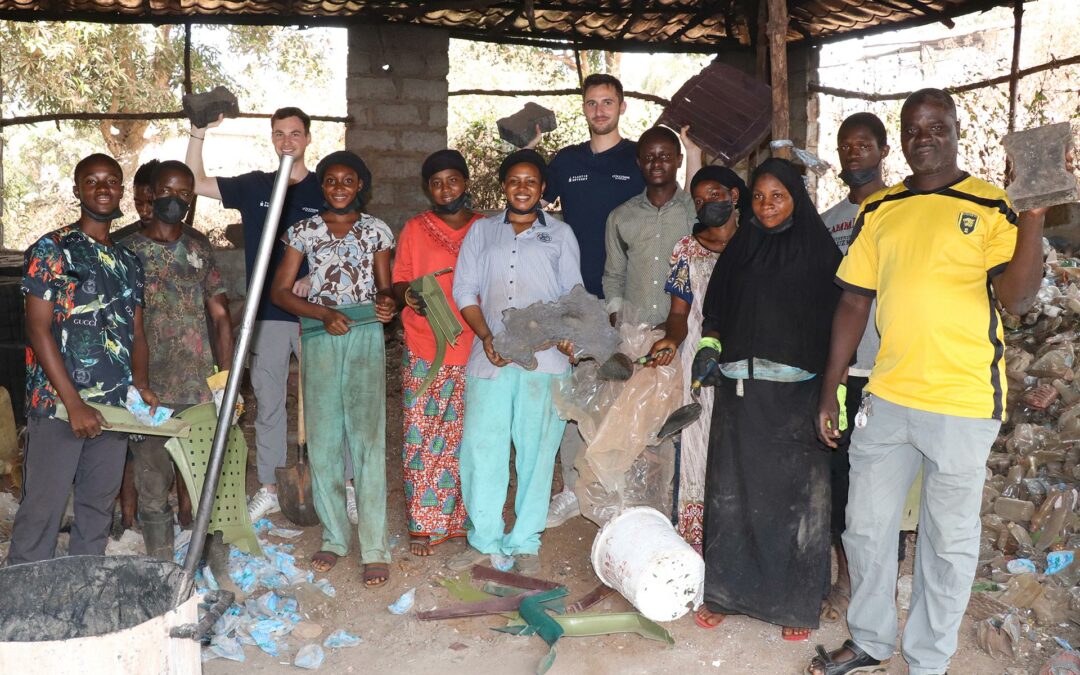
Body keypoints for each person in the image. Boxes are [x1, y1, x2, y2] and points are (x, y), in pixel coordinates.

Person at [809, 89, 1050, 675]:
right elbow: (853, 303)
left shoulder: (993, 205)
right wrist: (831, 389)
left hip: (963, 401)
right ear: (903, 137)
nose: (925, 138)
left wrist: (1034, 211)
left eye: (936, 127)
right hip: (888, 396)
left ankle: (928, 661)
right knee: (865, 527)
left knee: (946, 543)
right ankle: (869, 640)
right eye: (914, 129)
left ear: (955, 130)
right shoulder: (882, 209)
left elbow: (1017, 299)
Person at [691, 158, 841, 641]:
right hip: (740, 391)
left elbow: (841, 322)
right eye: (758, 197)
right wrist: (710, 347)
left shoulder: (819, 252)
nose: (766, 205)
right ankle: (727, 594)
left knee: (795, 502)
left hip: (799, 394)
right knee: (732, 496)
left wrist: (832, 391)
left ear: (796, 196)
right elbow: (716, 309)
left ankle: (793, 604)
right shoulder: (743, 246)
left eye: (777, 195)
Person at [186, 107, 359, 523]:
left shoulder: (329, 187)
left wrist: (314, 276)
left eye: (295, 133)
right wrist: (197, 132)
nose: (287, 141)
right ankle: (268, 487)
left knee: (332, 401)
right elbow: (192, 182)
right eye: (279, 133)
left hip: (321, 312)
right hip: (267, 314)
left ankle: (346, 486)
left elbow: (354, 239)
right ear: (271, 137)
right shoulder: (254, 186)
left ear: (308, 138)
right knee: (269, 403)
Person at [9, 153, 159, 564]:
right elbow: (37, 330)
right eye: (92, 181)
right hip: (58, 406)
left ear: (122, 190)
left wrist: (140, 387)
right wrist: (74, 403)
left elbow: (137, 333)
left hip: (112, 407)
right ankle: (21, 609)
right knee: (43, 510)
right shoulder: (51, 249)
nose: (103, 187)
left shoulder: (129, 261)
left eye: (111, 180)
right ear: (77, 190)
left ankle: (82, 591)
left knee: (97, 510)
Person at [450, 149, 582, 575]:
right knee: (481, 449)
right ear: (503, 186)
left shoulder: (560, 235)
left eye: (531, 181)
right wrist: (487, 337)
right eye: (514, 181)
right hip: (489, 358)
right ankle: (485, 537)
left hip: (543, 363)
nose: (522, 188)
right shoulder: (481, 233)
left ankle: (525, 538)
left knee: (537, 451)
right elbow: (464, 291)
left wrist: (561, 335)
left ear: (543, 189)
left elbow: (572, 296)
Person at [270, 150, 395, 587]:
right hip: (321, 335)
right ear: (321, 186)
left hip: (364, 336)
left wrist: (387, 306)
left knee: (367, 439)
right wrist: (322, 314)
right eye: (330, 181)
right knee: (322, 439)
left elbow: (385, 290)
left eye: (348, 180)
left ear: (361, 184)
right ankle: (336, 537)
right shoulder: (303, 230)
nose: (339, 187)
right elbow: (281, 292)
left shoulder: (377, 229)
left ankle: (375, 545)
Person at [534, 73, 645, 529]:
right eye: (592, 103)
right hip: (576, 294)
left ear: (621, 107)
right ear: (584, 109)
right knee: (573, 391)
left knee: (623, 392)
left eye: (607, 102)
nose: (599, 110)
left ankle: (617, 488)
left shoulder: (640, 158)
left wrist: (693, 152)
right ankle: (569, 489)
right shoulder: (566, 161)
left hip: (628, 295)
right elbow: (532, 201)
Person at [118, 160, 233, 562]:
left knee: (206, 480)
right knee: (152, 482)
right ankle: (162, 566)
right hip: (147, 389)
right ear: (150, 193)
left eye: (186, 193)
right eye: (169, 191)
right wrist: (130, 383)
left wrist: (227, 381)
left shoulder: (199, 246)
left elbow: (220, 315)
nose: (177, 200)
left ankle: (216, 565)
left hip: (198, 385)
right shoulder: (126, 251)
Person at [645, 165, 749, 550]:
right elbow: (678, 312)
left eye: (716, 195)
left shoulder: (757, 243)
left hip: (748, 357)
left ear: (735, 196)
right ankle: (697, 544)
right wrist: (670, 340)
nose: (708, 204)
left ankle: (738, 541)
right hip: (699, 356)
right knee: (696, 445)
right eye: (701, 200)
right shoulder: (686, 250)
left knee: (743, 446)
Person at [817, 112, 890, 624]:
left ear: (884, 151)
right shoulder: (831, 221)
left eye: (863, 145)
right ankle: (846, 577)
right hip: (847, 372)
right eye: (845, 146)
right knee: (842, 478)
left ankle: (882, 583)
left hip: (894, 371)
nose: (853, 154)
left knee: (889, 486)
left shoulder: (905, 207)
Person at [392, 149, 481, 558]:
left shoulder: (486, 229)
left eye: (453, 180)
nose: (446, 189)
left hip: (475, 345)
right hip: (426, 344)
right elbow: (398, 281)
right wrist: (412, 296)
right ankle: (423, 523)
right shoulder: (414, 229)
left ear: (466, 182)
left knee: (467, 436)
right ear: (427, 188)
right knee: (423, 434)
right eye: (436, 182)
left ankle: (460, 519)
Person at [602, 125, 696, 329]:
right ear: (639, 163)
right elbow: (614, 275)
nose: (657, 163)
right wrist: (617, 316)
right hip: (634, 333)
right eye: (649, 157)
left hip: (685, 333)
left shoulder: (695, 213)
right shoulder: (621, 216)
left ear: (679, 160)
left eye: (665, 156)